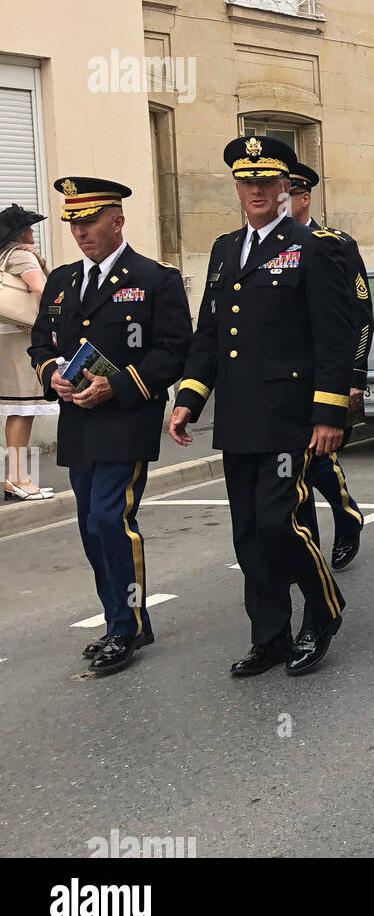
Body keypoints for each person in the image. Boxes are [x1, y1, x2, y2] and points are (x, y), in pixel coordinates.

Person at [170, 138, 354, 678]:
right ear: (237, 186)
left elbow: (335, 336)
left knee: (280, 523)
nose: (255, 190)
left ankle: (323, 611)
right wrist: (188, 397)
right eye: (246, 181)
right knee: (250, 532)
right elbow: (210, 332)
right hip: (239, 415)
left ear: (285, 189)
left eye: (267, 182)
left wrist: (328, 414)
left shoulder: (314, 246)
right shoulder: (226, 248)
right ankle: (269, 635)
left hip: (290, 414)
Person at [28, 178, 191, 674]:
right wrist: (51, 373)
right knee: (89, 526)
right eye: (73, 223)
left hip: (126, 418)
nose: (80, 232)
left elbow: (173, 349)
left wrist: (116, 387)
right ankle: (119, 615)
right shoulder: (60, 281)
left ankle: (127, 625)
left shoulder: (155, 277)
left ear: (117, 220)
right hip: (79, 420)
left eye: (90, 221)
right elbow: (39, 343)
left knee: (109, 518)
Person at [286, 162, 371, 572]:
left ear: (304, 198)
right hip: (281, 381)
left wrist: (354, 377)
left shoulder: (334, 244)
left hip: (323, 377)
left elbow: (359, 315)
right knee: (304, 460)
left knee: (316, 452)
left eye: (287, 193)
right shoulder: (256, 248)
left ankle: (343, 516)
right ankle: (338, 520)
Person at [0, 205, 57, 500]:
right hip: (22, 341)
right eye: (31, 228)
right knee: (22, 410)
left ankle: (17, 477)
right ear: (21, 232)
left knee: (17, 410)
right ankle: (17, 478)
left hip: (6, 338)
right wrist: (44, 325)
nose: (34, 232)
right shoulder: (21, 256)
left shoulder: (4, 256)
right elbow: (42, 290)